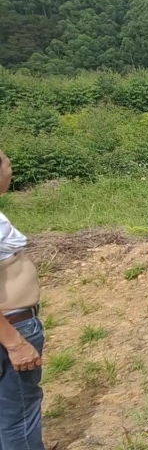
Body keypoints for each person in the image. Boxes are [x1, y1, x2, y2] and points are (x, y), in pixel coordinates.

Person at [0, 149, 47, 450]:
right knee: (19, 415)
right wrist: (15, 343)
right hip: (11, 328)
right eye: (5, 160)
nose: (10, 165)